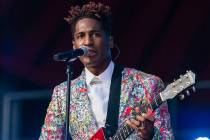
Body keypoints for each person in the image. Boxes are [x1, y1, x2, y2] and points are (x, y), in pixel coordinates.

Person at [39, 1, 174, 140]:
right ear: (74, 46)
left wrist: (150, 136)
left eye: (95, 34)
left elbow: (166, 137)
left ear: (110, 41)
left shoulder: (148, 84)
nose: (87, 42)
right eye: (81, 36)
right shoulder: (62, 94)